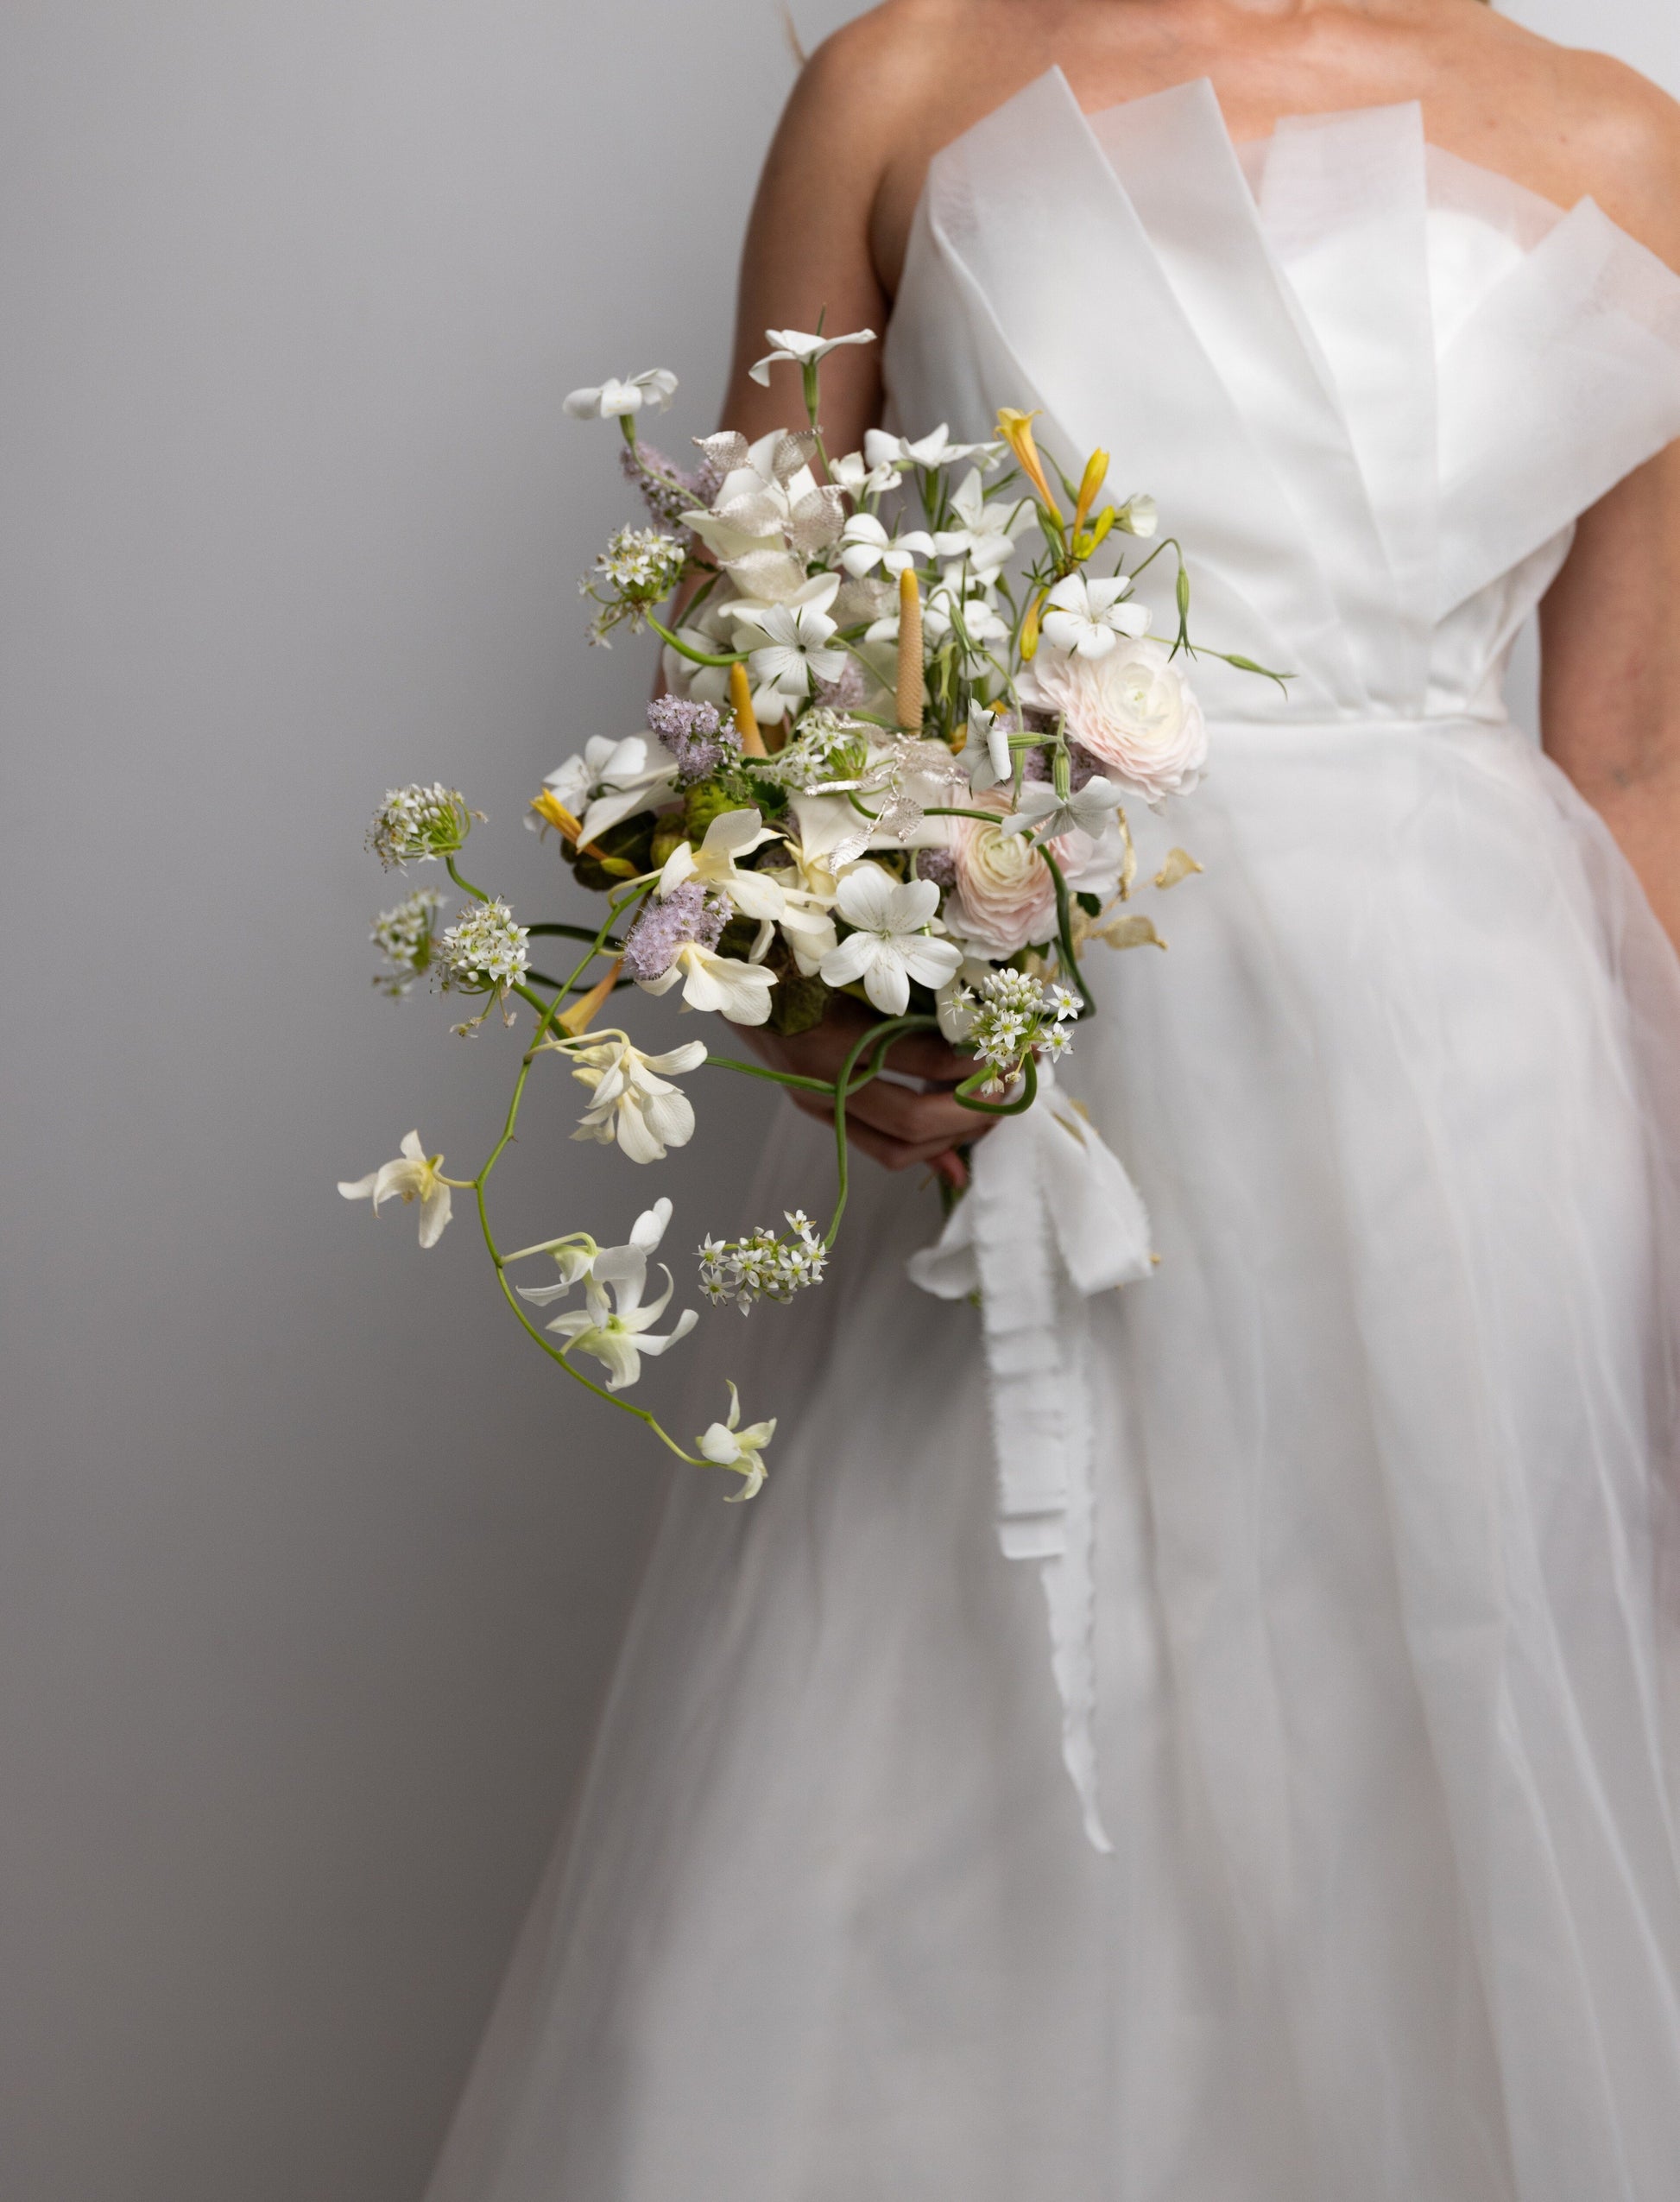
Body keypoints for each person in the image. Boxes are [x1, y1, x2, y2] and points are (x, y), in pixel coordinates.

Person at [428, 4, 1680, 2195]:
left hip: (1473, 1095)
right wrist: (804, 1006)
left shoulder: (1633, 139)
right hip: (1030, 1052)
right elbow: (740, 671)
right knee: (933, 1768)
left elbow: (1641, 755)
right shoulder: (903, 77)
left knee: (1436, 1755)